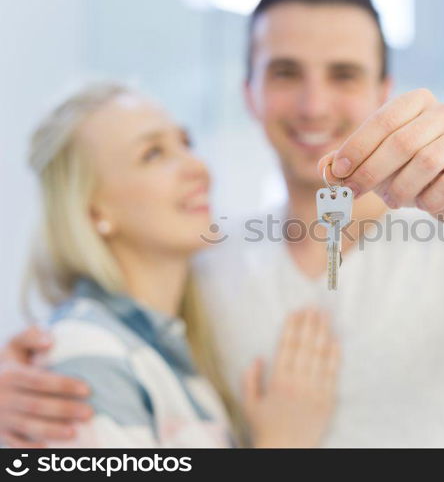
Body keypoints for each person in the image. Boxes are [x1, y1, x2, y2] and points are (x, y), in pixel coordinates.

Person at [0, 0, 444, 447]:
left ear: (380, 93)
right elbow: (116, 346)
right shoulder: (203, 265)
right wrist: (21, 380)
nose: (313, 104)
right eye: (285, 73)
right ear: (249, 92)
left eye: (343, 74)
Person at [6, 83, 339, 448]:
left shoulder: (173, 358)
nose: (196, 167)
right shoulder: (85, 352)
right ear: (93, 210)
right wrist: (282, 444)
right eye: (153, 154)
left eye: (185, 143)